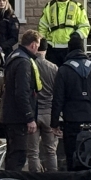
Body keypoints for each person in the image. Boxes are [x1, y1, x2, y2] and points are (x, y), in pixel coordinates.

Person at [51, 34, 91, 170]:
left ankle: (73, 178)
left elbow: (58, 99)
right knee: (89, 151)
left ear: (69, 49)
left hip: (71, 119)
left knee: (71, 153)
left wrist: (54, 123)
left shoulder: (64, 70)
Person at [0, 30, 43, 171]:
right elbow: (22, 92)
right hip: (18, 117)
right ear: (34, 45)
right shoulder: (24, 62)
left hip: (9, 114)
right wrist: (29, 117)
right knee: (18, 155)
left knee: (12, 153)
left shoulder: (13, 56)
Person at [38, 0, 90, 66]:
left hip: (70, 47)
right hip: (53, 48)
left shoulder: (77, 7)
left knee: (70, 74)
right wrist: (43, 43)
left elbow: (85, 26)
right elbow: (42, 26)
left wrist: (77, 35)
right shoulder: (49, 7)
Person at [33, 38, 60, 172]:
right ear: (46, 50)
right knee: (51, 151)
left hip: (33, 113)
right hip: (49, 112)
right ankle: (53, 178)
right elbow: (58, 91)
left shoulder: (29, 64)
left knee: (32, 152)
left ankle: (34, 179)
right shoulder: (53, 67)